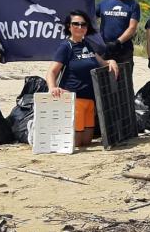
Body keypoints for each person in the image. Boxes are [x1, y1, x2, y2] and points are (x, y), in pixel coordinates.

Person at [46, 10, 119, 147]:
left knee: (86, 142)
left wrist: (112, 61)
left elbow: (103, 63)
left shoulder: (87, 45)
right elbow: (51, 72)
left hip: (90, 101)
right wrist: (52, 87)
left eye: (83, 24)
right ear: (69, 26)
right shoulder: (65, 47)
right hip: (74, 100)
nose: (80, 27)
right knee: (77, 143)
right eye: (75, 24)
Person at [96, 0, 140, 68]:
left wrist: (117, 42)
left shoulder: (133, 5)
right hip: (104, 49)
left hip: (124, 50)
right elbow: (90, 19)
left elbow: (132, 27)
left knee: (124, 82)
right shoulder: (103, 2)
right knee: (103, 81)